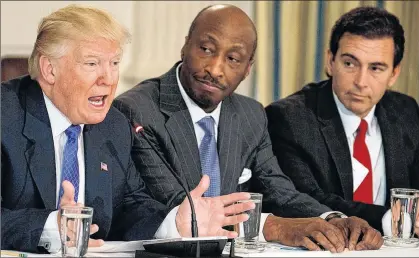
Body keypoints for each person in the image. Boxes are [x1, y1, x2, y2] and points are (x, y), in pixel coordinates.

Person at [114, 4, 383, 252]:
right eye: (206, 49)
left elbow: (278, 189)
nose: (215, 69)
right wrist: (274, 227)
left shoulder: (250, 114)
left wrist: (333, 219)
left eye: (233, 59)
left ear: (247, 69)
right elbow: (181, 207)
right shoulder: (137, 110)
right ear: (185, 46)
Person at [1, 5, 255, 253]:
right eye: (92, 64)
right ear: (49, 69)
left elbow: (131, 205)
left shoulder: (115, 125)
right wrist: (49, 227)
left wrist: (173, 222)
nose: (109, 79)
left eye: (114, 63)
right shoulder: (5, 116)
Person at [265, 6, 419, 236]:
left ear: (394, 74)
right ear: (331, 61)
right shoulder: (290, 118)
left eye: (376, 68)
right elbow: (305, 199)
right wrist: (394, 220)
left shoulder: (406, 111)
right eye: (349, 63)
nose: (360, 81)